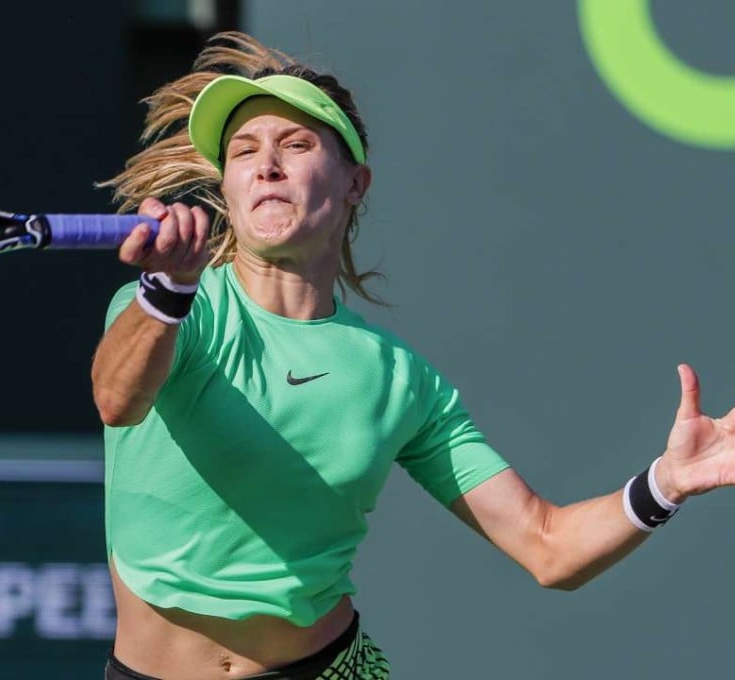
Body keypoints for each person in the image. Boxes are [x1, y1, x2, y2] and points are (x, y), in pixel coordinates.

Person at [91, 31, 735, 680]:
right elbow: (118, 399)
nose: (267, 167)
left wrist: (667, 483)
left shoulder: (400, 381)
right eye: (244, 151)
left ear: (354, 183)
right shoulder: (165, 309)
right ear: (227, 186)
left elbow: (549, 548)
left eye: (297, 145)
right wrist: (167, 292)